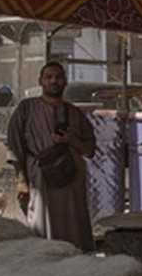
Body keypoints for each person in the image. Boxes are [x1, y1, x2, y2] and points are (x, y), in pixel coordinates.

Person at [7, 62, 97, 251]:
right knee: (42, 223)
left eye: (58, 77)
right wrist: (21, 180)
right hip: (41, 177)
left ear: (65, 82)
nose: (54, 81)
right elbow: (15, 146)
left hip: (72, 179)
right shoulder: (26, 108)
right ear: (41, 81)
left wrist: (71, 140)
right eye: (49, 77)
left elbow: (89, 149)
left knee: (75, 223)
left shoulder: (75, 113)